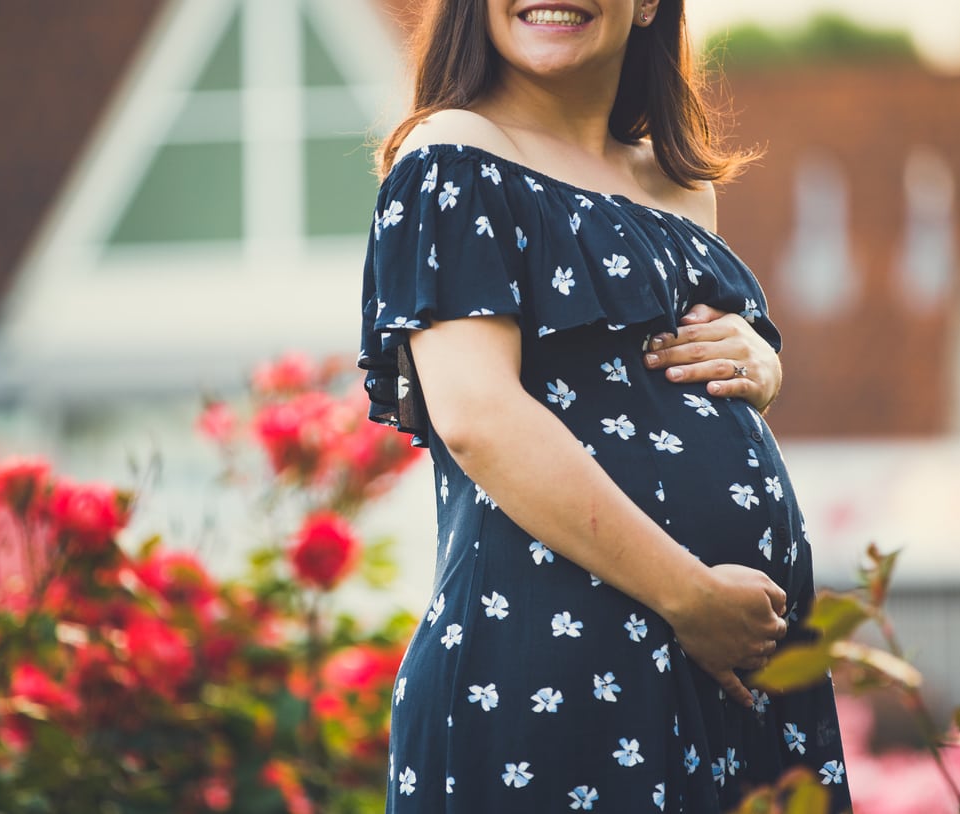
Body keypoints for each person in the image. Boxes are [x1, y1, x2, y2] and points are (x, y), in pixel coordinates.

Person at [357, 0, 852, 810]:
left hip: (741, 676)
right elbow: (479, 415)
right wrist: (688, 595)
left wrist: (762, 361)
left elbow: (679, 383)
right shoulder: (454, 154)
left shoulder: (682, 190)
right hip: (560, 675)